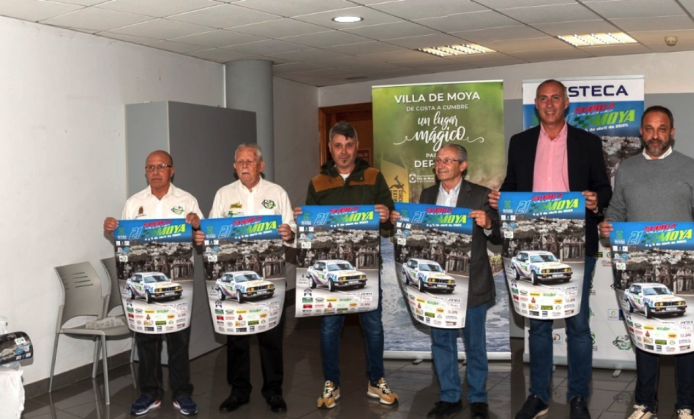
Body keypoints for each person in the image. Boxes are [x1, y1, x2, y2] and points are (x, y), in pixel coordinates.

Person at [499, 79, 612, 419]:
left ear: (566, 104)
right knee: (538, 325)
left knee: (577, 325)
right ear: (536, 104)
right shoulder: (519, 143)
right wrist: (499, 199)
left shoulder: (588, 142)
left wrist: (595, 199)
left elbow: (604, 188)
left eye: (555, 98)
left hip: (576, 243)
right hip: (532, 245)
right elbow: (511, 185)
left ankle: (578, 397)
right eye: (543, 98)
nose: (549, 104)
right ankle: (539, 396)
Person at [599, 105, 694, 419]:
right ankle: (645, 404)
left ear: (672, 133)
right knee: (645, 333)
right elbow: (617, 209)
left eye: (661, 129)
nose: (655, 135)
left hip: (681, 267)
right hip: (639, 268)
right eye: (649, 129)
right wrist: (609, 223)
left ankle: (686, 404)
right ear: (641, 132)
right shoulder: (627, 169)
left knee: (684, 336)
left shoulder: (690, 166)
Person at [298, 121, 398, 409]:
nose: (344, 152)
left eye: (349, 145)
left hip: (367, 270)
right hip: (332, 270)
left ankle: (376, 380)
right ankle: (331, 382)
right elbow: (312, 232)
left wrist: (386, 215)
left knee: (373, 327)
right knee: (330, 328)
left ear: (357, 147)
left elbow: (391, 219)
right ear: (330, 148)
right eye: (338, 146)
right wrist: (303, 220)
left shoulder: (374, 176)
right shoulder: (317, 182)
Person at [102, 150, 203, 416]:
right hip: (143, 283)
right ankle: (150, 393)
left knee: (178, 340)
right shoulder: (134, 203)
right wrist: (112, 230)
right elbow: (124, 242)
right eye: (150, 167)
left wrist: (196, 225)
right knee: (147, 341)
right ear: (145, 171)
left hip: (177, 283)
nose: (155, 172)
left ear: (172, 170)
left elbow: (201, 236)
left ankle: (182, 393)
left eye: (161, 166)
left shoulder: (187, 200)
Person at [202, 144, 295, 414]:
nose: (245, 165)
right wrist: (205, 236)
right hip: (234, 278)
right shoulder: (224, 195)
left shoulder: (277, 193)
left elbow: (292, 228)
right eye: (240, 161)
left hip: (270, 277)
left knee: (271, 337)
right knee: (237, 337)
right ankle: (239, 391)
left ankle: (274, 391)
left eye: (250, 161)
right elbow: (213, 232)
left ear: (261, 166)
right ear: (234, 167)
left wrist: (289, 233)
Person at [418, 144, 501, 419]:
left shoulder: (480, 195)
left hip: (472, 282)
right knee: (442, 342)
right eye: (438, 160)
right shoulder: (427, 195)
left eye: (447, 160)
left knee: (474, 345)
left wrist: (488, 224)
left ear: (462, 165)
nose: (440, 165)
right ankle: (449, 397)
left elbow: (500, 235)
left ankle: (478, 399)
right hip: (438, 283)